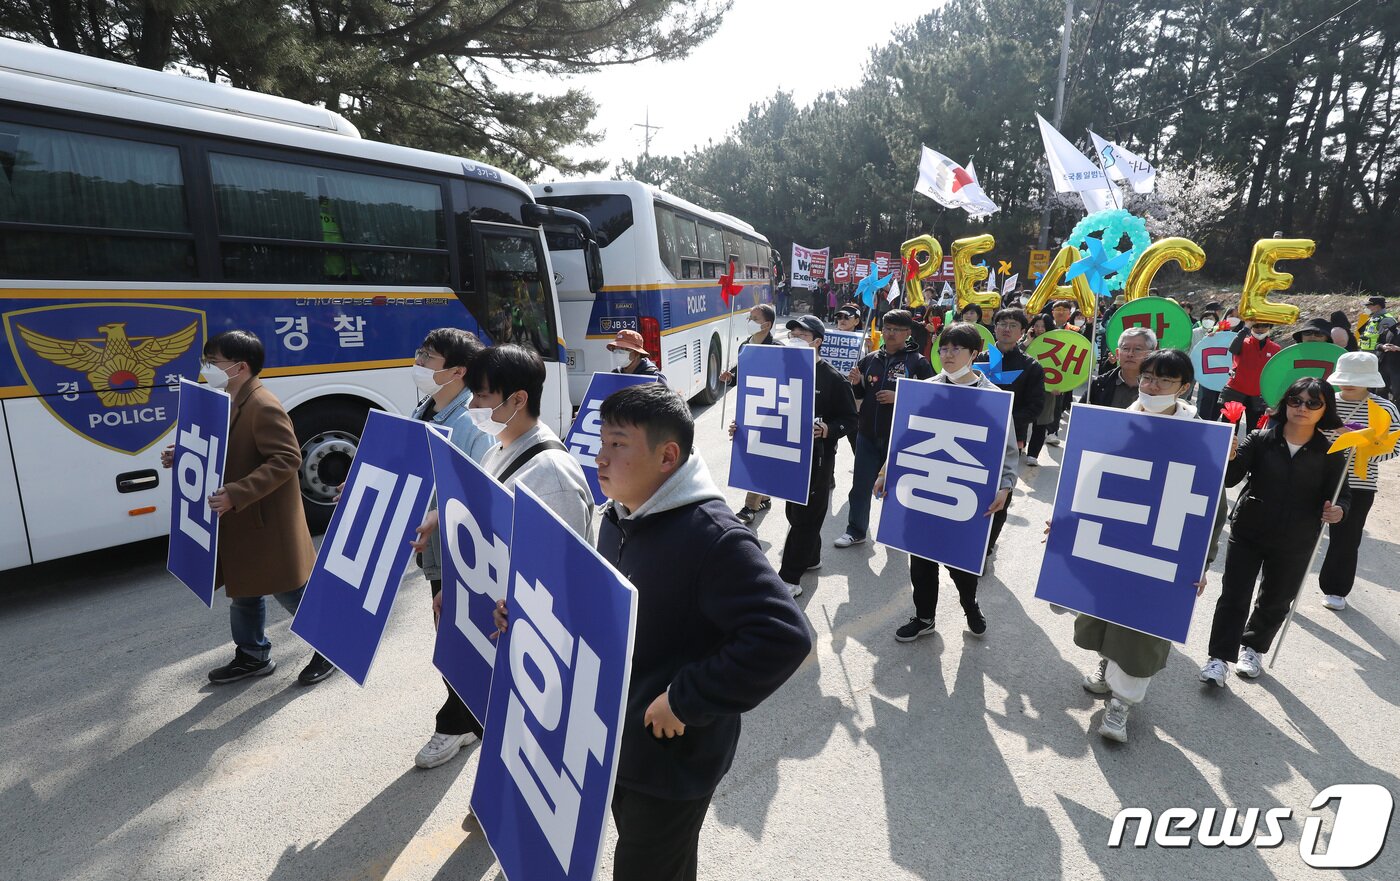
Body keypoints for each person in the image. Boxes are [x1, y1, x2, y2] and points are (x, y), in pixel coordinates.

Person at [508, 381, 809, 881]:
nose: (600, 457)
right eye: (601, 442)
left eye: (618, 445)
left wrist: (686, 699)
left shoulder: (714, 537)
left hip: (673, 758)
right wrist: (525, 613)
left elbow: (784, 635)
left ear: (667, 456)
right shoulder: (621, 515)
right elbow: (599, 600)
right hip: (620, 740)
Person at [410, 343, 596, 766]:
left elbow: (560, 579)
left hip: (529, 632)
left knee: (529, 733)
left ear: (518, 399)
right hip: (497, 618)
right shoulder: (498, 449)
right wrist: (457, 590)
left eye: (482, 397)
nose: (472, 406)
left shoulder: (550, 475)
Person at [159, 330, 329, 686]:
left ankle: (330, 645)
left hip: (264, 521)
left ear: (240, 367)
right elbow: (223, 450)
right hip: (243, 521)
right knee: (244, 592)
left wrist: (238, 492)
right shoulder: (226, 399)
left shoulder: (261, 404)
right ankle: (252, 655)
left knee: (289, 589)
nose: (207, 368)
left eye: (214, 362)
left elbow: (287, 458)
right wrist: (185, 454)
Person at [1072, 350, 1222, 743]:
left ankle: (1122, 704)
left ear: (1184, 387)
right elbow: (1086, 475)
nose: (1152, 386)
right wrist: (1068, 523)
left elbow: (1211, 505)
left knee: (1142, 626)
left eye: (1164, 380)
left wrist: (1201, 561)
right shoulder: (1118, 421)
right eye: (1147, 377)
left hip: (1162, 542)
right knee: (1104, 611)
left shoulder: (1200, 436)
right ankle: (1106, 667)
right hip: (1114, 533)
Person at [872, 323, 1018, 640]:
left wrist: (1005, 487)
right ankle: (924, 617)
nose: (948, 355)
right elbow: (905, 437)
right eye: (943, 349)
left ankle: (970, 605)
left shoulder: (993, 399)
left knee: (960, 562)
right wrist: (886, 471)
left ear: (974, 354)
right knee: (921, 558)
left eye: (956, 349)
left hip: (965, 491)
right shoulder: (925, 389)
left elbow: (1008, 451)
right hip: (925, 485)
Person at [1200, 377, 1349, 686]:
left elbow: (1341, 495)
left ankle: (1252, 648)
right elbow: (1230, 479)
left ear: (1325, 409)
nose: (1302, 408)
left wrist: (1338, 510)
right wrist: (1229, 457)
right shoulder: (1260, 438)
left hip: (1298, 538)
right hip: (1249, 530)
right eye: (1296, 400)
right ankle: (1218, 658)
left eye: (1312, 403)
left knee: (1277, 599)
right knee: (1233, 596)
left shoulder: (1333, 451)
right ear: (1285, 403)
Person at [404, 328, 493, 768]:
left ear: (458, 371)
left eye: (429, 357)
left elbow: (482, 495)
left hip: (459, 552)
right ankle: (473, 715)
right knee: (453, 634)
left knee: (456, 638)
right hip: (432, 549)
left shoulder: (471, 424)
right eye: (420, 352)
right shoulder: (425, 409)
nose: (418, 361)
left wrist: (441, 514)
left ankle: (458, 723)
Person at [768, 316, 857, 595]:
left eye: (801, 335)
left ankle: (790, 579)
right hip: (788, 454)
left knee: (807, 518)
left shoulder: (833, 379)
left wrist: (828, 428)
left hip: (817, 458)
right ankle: (812, 557)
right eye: (791, 332)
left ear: (817, 342)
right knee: (794, 511)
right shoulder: (783, 371)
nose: (794, 337)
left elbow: (850, 419)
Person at [835, 309, 934, 548]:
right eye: (887, 328)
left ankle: (898, 533)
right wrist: (856, 384)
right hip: (867, 433)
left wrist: (899, 395)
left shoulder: (918, 362)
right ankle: (856, 530)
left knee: (900, 488)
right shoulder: (870, 359)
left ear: (908, 333)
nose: (890, 334)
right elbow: (859, 395)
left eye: (897, 330)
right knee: (860, 486)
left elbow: (931, 398)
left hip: (901, 438)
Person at [1318, 353, 1400, 610]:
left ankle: (1336, 588)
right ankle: (1285, 583)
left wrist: (1365, 449)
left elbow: (1394, 445)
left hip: (1359, 483)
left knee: (1346, 538)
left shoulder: (1385, 408)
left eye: (1357, 379)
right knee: (1302, 532)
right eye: (1345, 379)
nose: (1349, 384)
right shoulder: (1324, 402)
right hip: (1318, 476)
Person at [978, 308, 1045, 551]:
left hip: (1008, 439)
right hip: (972, 434)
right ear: (994, 327)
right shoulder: (977, 359)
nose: (1007, 328)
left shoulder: (1031, 367)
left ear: (1021, 331)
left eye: (1013, 325)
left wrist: (1004, 421)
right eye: (1002, 323)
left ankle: (986, 549)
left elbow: (1035, 407)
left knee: (1000, 494)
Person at [720, 303, 778, 523]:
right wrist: (731, 377)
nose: (749, 322)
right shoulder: (745, 345)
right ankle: (763, 497)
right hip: (748, 408)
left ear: (767, 324)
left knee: (758, 456)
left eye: (754, 318)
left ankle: (749, 508)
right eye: (749, 317)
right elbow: (743, 375)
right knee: (750, 453)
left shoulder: (778, 348)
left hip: (770, 410)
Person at [1221, 319, 1281, 430]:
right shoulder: (1242, 342)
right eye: (1256, 326)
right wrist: (1246, 327)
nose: (1260, 329)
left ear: (1270, 328)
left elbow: (1276, 374)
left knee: (1254, 431)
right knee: (1229, 428)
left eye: (1264, 325)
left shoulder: (1276, 349)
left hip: (1258, 395)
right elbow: (1233, 349)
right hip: (1236, 391)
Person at [1089, 326, 1157, 409]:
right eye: (1125, 348)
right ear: (1117, 353)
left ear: (1151, 354)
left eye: (1138, 349)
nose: (1130, 354)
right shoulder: (1099, 384)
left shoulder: (1161, 388)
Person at [1024, 314, 1059, 467]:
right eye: (1036, 325)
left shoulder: (1058, 343)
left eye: (1042, 326)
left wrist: (1061, 387)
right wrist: (1027, 342)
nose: (1039, 329)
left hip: (1048, 389)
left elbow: (1065, 368)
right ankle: (1020, 446)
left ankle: (1033, 454)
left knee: (1041, 423)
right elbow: (1016, 356)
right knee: (1022, 421)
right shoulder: (1026, 341)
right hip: (1026, 388)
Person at [1194, 303, 1225, 421]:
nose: (1208, 321)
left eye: (1211, 319)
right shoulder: (1195, 331)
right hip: (1202, 370)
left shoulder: (1220, 333)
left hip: (1218, 372)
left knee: (1216, 402)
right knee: (1204, 399)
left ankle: (1212, 422)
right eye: (1206, 318)